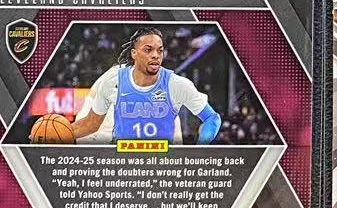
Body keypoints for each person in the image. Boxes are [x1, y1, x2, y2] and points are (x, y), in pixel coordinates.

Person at [48, 27, 222, 143]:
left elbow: (212, 118)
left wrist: (200, 148)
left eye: (160, 50)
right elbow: (90, 124)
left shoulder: (177, 84)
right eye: (148, 50)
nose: (155, 55)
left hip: (162, 164)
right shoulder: (112, 80)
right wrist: (55, 136)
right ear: (134, 53)